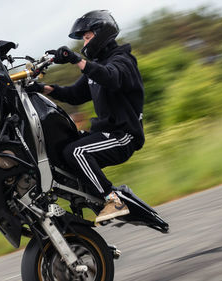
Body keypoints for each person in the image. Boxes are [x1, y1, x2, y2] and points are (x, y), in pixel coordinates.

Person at [28, 10, 145, 224]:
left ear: (102, 34)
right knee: (61, 149)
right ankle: (89, 198)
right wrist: (42, 88)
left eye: (87, 37)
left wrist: (76, 60)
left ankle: (113, 200)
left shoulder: (123, 60)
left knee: (77, 152)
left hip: (124, 136)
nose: (84, 42)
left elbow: (111, 78)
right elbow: (74, 95)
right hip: (104, 133)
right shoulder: (97, 66)